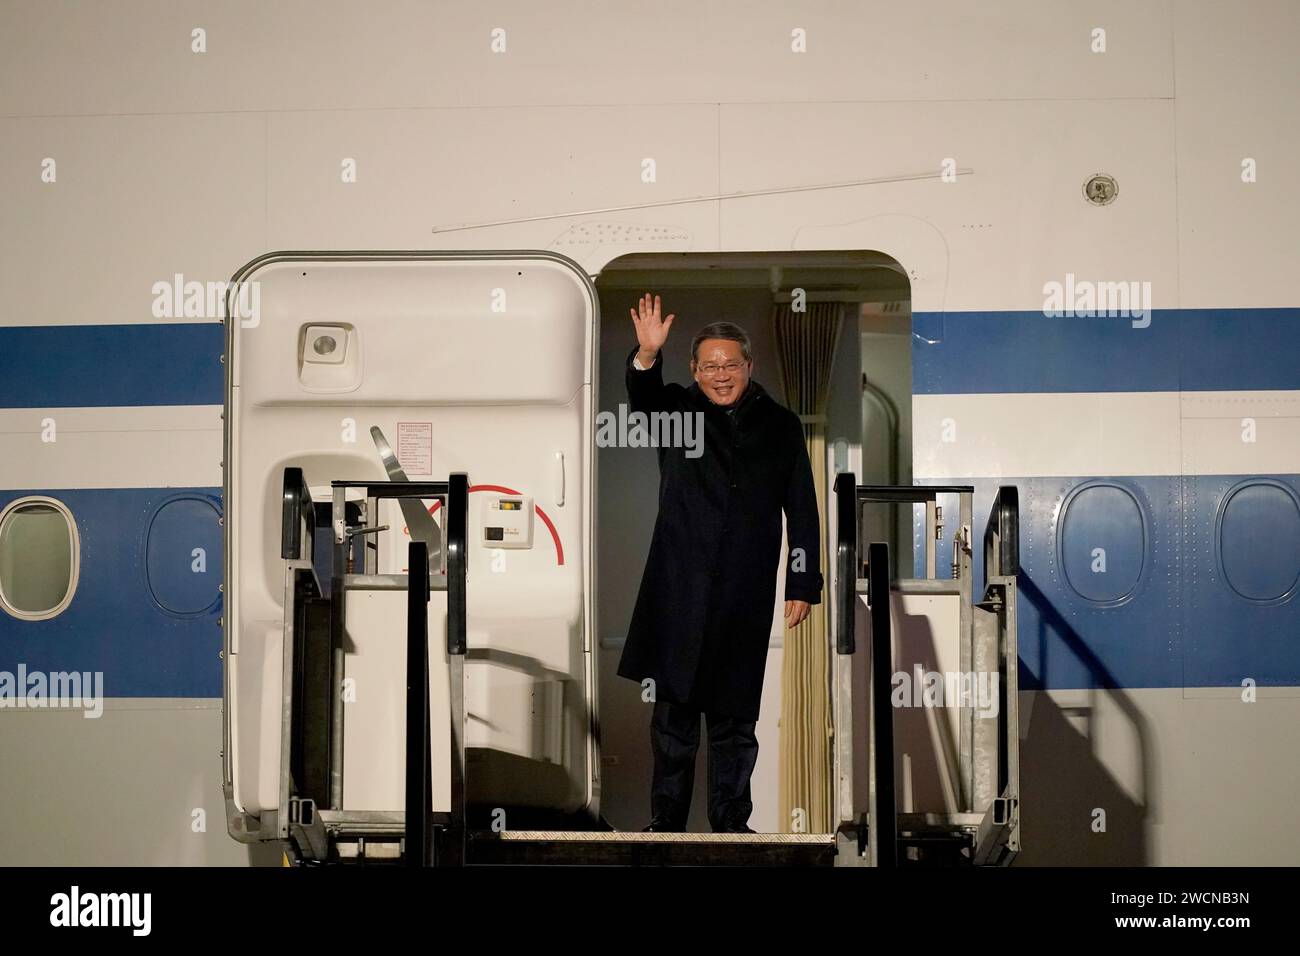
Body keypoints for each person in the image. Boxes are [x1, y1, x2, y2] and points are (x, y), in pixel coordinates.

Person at [617, 293, 824, 833]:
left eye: (731, 364)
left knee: (735, 720)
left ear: (749, 366)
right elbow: (641, 398)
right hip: (678, 591)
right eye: (710, 365)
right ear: (694, 371)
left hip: (744, 593)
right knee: (673, 719)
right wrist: (646, 354)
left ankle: (732, 824)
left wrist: (802, 582)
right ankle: (666, 823)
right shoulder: (677, 412)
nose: (721, 374)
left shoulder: (780, 425)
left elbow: (802, 507)